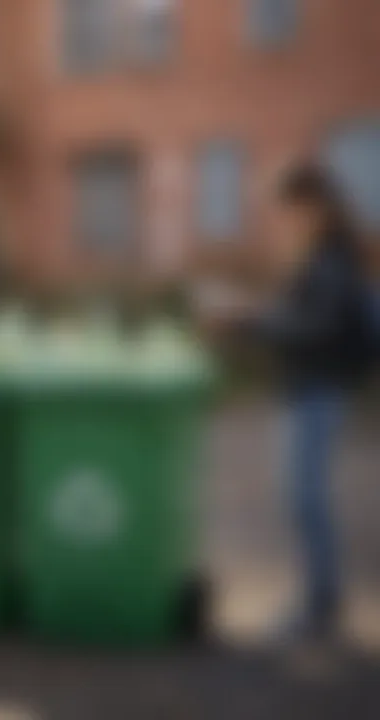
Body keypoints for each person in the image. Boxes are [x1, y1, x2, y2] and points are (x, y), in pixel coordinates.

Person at [216, 162, 376, 643]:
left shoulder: (330, 259)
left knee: (305, 499)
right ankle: (321, 597)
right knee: (303, 498)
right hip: (309, 389)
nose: (283, 220)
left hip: (315, 392)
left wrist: (251, 324)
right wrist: (254, 314)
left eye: (289, 210)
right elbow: (301, 313)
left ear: (314, 206)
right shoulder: (324, 256)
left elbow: (316, 326)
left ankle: (319, 603)